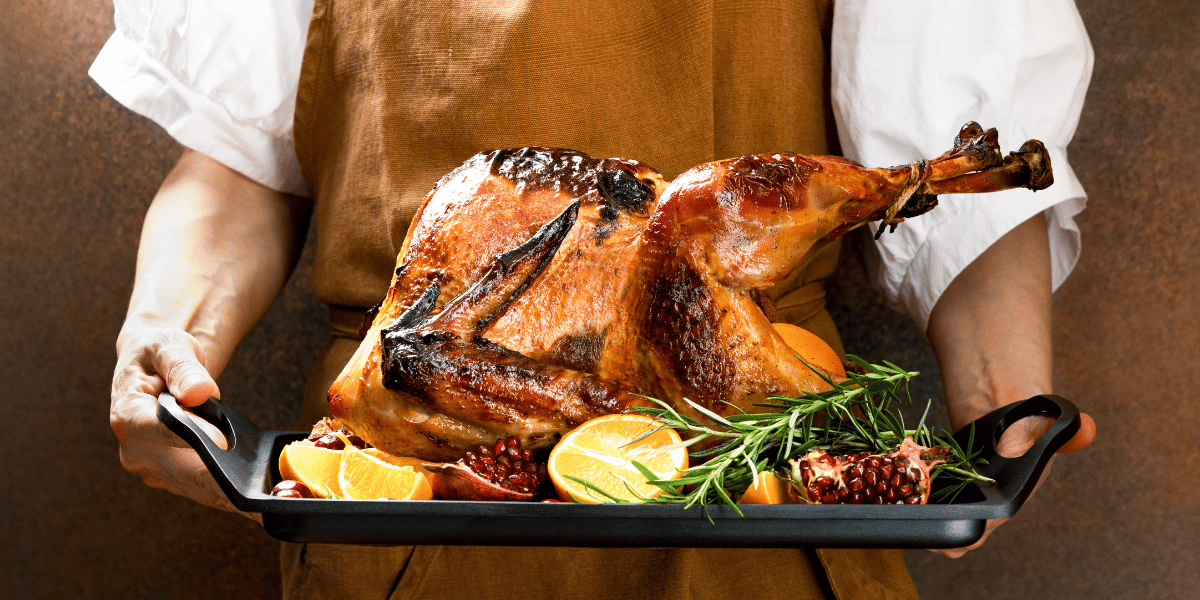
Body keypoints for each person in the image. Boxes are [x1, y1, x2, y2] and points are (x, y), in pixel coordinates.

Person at [96, 1, 1096, 598]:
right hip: (405, 501)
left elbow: (963, 110)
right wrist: (166, 344)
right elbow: (237, 158)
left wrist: (1001, 406)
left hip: (750, 496)